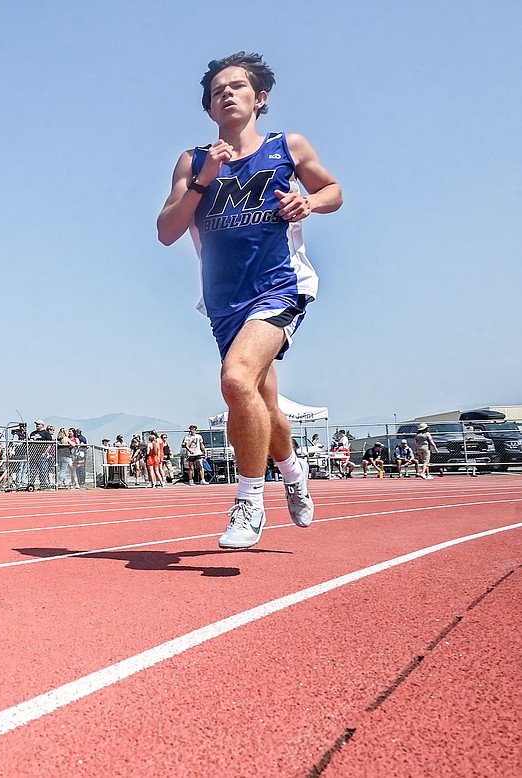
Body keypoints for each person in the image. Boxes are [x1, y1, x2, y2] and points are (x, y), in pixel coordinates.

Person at [156, 51, 342, 549]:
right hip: (223, 301)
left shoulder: (287, 146)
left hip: (279, 286)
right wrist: (202, 181)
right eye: (218, 90)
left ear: (259, 99)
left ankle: (249, 501)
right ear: (209, 109)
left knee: (235, 379)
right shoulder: (194, 162)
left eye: (237, 86)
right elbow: (167, 231)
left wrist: (310, 201)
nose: (227, 93)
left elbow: (334, 190)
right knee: (262, 402)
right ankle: (294, 472)